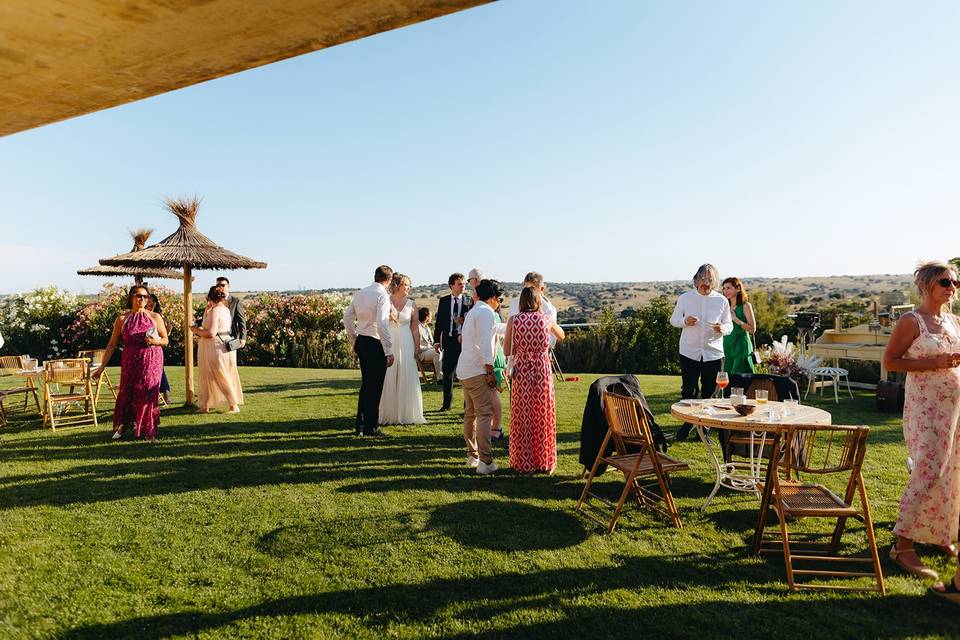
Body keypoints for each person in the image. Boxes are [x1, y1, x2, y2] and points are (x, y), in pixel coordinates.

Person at [883, 261, 960, 601]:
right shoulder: (910, 321)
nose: (952, 286)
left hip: (955, 409)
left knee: (952, 473)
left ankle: (941, 533)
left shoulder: (953, 322)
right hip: (925, 410)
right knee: (927, 473)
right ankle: (902, 545)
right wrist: (936, 363)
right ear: (927, 284)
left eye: (955, 281)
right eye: (945, 281)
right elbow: (891, 362)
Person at [94, 285, 167, 442]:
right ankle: (124, 425)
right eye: (139, 296)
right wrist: (101, 367)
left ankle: (149, 431)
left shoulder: (155, 317)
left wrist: (156, 341)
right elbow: (112, 344)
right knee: (128, 392)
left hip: (152, 359)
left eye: (145, 297)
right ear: (131, 298)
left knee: (148, 393)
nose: (142, 299)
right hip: (130, 360)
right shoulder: (122, 319)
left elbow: (166, 340)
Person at [505, 286, 565, 474]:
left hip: (522, 370)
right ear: (539, 300)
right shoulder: (546, 319)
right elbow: (561, 336)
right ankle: (544, 461)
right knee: (543, 414)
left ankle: (524, 463)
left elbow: (507, 351)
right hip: (542, 369)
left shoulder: (514, 321)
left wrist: (522, 350)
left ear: (521, 301)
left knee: (522, 415)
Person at [669, 264, 733, 441]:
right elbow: (673, 320)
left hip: (713, 353)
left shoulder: (721, 301)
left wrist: (723, 328)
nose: (706, 282)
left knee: (709, 392)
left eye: (710, 279)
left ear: (715, 282)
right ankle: (687, 424)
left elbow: (729, 324)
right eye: (703, 278)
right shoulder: (685, 298)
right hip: (689, 351)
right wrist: (684, 321)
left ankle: (703, 429)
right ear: (696, 280)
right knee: (689, 390)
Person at [457, 279, 503, 474]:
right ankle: (485, 462)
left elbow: (494, 330)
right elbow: (485, 343)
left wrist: (515, 323)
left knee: (471, 415)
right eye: (499, 298)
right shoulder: (486, 312)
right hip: (477, 371)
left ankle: (472, 456)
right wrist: (490, 370)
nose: (499, 302)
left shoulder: (475, 311)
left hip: (465, 369)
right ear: (492, 298)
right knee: (484, 414)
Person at [343, 265, 394, 437]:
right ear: (388, 280)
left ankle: (361, 425)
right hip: (375, 343)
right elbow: (382, 323)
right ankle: (371, 428)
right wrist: (389, 349)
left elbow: (347, 316)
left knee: (366, 385)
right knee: (375, 387)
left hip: (362, 341)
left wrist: (354, 338)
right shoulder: (382, 295)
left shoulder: (361, 292)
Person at [378, 273, 425, 425]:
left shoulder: (412, 304)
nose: (408, 288)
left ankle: (406, 414)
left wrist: (417, 348)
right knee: (389, 376)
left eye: (409, 285)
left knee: (406, 375)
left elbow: (415, 329)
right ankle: (388, 413)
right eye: (406, 285)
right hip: (390, 341)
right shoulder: (386, 300)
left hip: (406, 342)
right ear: (397, 285)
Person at [190, 286, 244, 413]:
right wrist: (206, 311)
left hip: (215, 347)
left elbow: (211, 333)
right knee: (209, 376)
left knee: (220, 375)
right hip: (221, 345)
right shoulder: (223, 310)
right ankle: (205, 405)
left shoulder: (216, 311)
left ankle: (233, 405)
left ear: (210, 297)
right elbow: (206, 324)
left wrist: (195, 330)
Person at [434, 272, 472, 412]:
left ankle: (467, 406)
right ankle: (446, 404)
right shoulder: (443, 301)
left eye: (464, 284)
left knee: (466, 375)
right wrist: (436, 341)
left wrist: (463, 320)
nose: (463, 286)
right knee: (448, 373)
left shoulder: (469, 300)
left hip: (464, 341)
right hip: (449, 341)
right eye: (459, 284)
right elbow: (438, 324)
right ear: (452, 285)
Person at [721, 277, 757, 374]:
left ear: (738, 288)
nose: (725, 291)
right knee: (726, 375)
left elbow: (752, 329)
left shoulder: (746, 306)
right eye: (724, 288)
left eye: (728, 288)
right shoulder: (724, 307)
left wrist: (736, 319)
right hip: (726, 344)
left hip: (741, 345)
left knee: (740, 376)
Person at [145, 293, 172, 404]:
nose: (151, 305)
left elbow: (166, 335)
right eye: (149, 302)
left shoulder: (158, 316)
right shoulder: (141, 315)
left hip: (156, 346)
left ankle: (165, 393)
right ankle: (164, 394)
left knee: (160, 370)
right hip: (145, 347)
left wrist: (166, 332)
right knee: (158, 371)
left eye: (153, 303)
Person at [215, 277, 247, 348]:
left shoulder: (235, 301)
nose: (220, 287)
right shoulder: (214, 302)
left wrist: (243, 338)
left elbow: (241, 321)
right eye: (217, 285)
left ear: (228, 286)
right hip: (215, 339)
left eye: (223, 285)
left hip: (230, 338)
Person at [417, 307, 442, 382]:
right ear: (427, 317)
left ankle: (451, 376)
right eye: (430, 316)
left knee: (442, 351)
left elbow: (431, 342)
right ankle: (440, 378)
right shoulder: (417, 328)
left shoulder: (427, 327)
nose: (431, 318)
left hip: (429, 350)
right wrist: (432, 348)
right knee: (437, 353)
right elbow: (417, 346)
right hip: (421, 353)